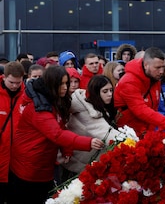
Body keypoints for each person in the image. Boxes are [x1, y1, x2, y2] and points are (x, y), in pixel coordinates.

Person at [9, 66, 104, 203]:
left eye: (67, 83)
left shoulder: (52, 101)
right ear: (51, 84)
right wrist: (88, 142)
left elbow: (60, 126)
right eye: (61, 84)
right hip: (29, 167)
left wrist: (67, 148)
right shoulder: (39, 108)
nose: (65, 87)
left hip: (42, 164)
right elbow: (57, 134)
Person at [114, 47, 165, 138]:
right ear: (146, 65)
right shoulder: (128, 81)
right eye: (158, 67)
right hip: (129, 134)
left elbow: (153, 108)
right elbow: (140, 110)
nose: (161, 71)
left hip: (147, 130)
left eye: (163, 67)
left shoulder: (154, 78)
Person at [60, 75, 122, 176]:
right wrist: (132, 142)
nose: (110, 94)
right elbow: (107, 133)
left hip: (86, 159)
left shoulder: (98, 105)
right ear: (95, 92)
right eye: (105, 91)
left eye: (111, 90)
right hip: (76, 165)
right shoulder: (86, 111)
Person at [0, 62, 25, 204]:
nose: (15, 86)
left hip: (18, 161)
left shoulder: (27, 97)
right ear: (3, 77)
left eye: (18, 82)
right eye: (11, 82)